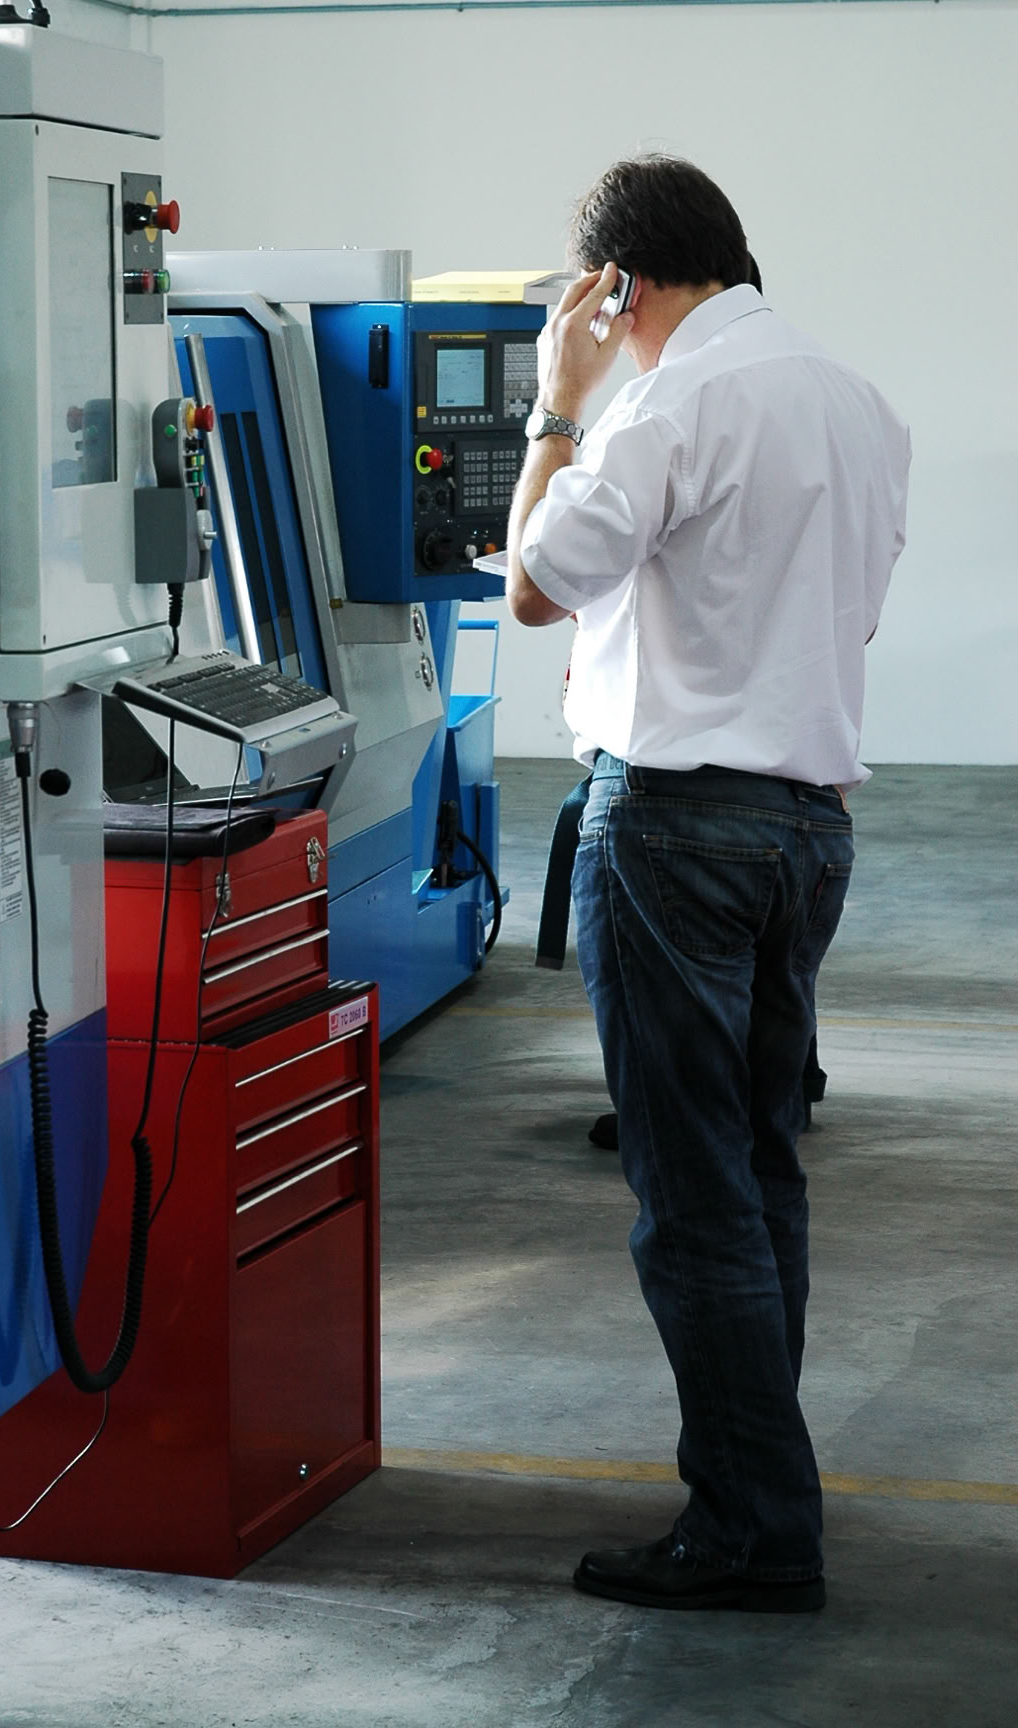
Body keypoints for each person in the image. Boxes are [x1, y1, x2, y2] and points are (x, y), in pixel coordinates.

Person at [506, 156, 910, 1612]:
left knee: (691, 1200)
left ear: (615, 286)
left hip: (676, 830)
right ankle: (762, 1489)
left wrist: (558, 404)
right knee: (759, 1171)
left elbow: (533, 582)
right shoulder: (858, 404)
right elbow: (839, 615)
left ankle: (753, 1528)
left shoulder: (662, 406)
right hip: (809, 831)